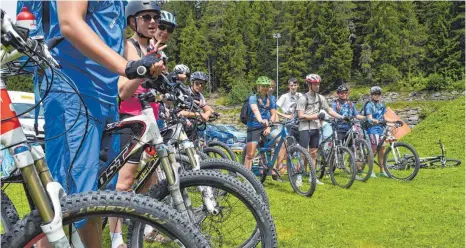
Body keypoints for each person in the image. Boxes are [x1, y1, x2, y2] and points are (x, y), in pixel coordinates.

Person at [38, 1, 164, 247]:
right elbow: (69, 22)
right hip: (75, 91)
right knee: (71, 200)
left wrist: (141, 69)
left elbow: (120, 72)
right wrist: (126, 67)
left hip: (105, 98)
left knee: (92, 199)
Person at [110, 2, 164, 247]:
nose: (152, 22)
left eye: (155, 17)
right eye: (146, 17)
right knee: (124, 183)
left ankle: (143, 229)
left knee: (149, 179)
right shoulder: (129, 46)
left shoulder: (151, 48)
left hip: (149, 121)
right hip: (130, 121)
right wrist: (144, 67)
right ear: (133, 22)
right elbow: (123, 91)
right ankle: (116, 238)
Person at [296, 74, 346, 185]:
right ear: (309, 85)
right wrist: (315, 116)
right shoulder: (302, 98)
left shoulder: (320, 98)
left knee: (313, 153)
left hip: (315, 128)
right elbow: (300, 115)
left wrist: (342, 117)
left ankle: (312, 177)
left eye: (318, 84)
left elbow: (329, 110)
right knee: (303, 153)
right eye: (315, 84)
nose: (317, 86)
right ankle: (299, 176)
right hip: (304, 128)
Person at [243, 76, 283, 181]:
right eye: (262, 86)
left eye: (267, 86)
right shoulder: (253, 97)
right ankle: (246, 177)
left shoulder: (271, 99)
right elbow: (255, 110)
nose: (265, 88)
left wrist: (269, 126)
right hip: (254, 126)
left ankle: (274, 169)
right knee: (250, 155)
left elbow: (273, 114)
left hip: (267, 126)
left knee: (280, 140)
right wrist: (261, 120)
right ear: (258, 87)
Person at [363, 86, 388, 178]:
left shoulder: (382, 105)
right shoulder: (369, 105)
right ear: (371, 95)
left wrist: (394, 121)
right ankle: (371, 171)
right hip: (372, 129)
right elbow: (369, 117)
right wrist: (376, 121)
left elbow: (385, 117)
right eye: (375, 94)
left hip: (381, 129)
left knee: (382, 149)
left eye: (378, 94)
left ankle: (382, 170)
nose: (377, 96)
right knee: (373, 150)